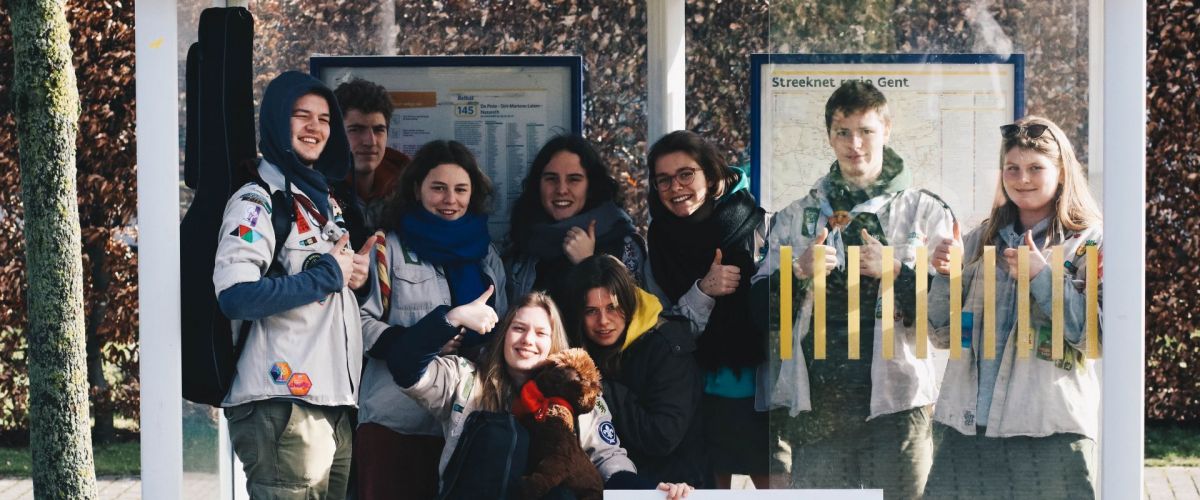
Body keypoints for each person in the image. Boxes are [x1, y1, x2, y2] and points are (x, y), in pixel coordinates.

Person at [752, 80, 954, 497]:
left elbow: (948, 318)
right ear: (829, 135)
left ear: (887, 131)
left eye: (866, 131)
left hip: (898, 401)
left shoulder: (925, 211)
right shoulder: (798, 216)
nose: (854, 144)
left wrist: (899, 271)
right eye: (843, 132)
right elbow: (758, 314)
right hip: (821, 402)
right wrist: (797, 271)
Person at [923, 116, 1103, 499]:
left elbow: (1095, 338)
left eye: (1036, 168)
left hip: (1048, 434)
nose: (1022, 178)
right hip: (966, 432)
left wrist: (1041, 277)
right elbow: (941, 334)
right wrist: (944, 275)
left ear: (1062, 172)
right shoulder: (979, 238)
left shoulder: (1090, 242)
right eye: (1013, 168)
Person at [213, 71, 371, 499]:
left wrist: (356, 278)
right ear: (277, 122)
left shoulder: (324, 202)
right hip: (282, 406)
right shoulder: (257, 200)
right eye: (301, 116)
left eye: (323, 119)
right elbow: (236, 295)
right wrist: (327, 276)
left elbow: (324, 289)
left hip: (331, 405)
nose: (314, 128)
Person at [385, 291, 695, 499]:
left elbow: (609, 460)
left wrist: (654, 491)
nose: (527, 340)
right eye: (519, 328)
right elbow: (403, 366)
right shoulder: (465, 378)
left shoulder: (575, 392)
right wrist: (452, 318)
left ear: (553, 342)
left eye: (540, 333)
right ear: (505, 333)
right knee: (500, 434)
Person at [356, 139, 507, 500]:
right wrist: (420, 340)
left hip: (464, 425)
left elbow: (502, 332)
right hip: (395, 422)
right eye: (438, 188)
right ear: (416, 189)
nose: (449, 199)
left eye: (460, 189)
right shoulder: (387, 246)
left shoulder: (486, 254)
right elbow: (358, 324)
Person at [642, 130, 771, 488]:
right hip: (697, 391)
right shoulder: (659, 241)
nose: (675, 187)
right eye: (663, 180)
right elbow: (662, 327)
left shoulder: (758, 223)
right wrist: (704, 290)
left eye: (686, 174)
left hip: (763, 389)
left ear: (711, 176)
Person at [557, 255, 707, 487]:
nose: (603, 321)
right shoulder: (578, 346)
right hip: (605, 480)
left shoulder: (666, 347)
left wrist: (602, 389)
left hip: (673, 485)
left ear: (629, 303)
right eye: (591, 311)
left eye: (612, 308)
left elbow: (662, 436)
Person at [333, 78, 410, 233]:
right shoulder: (316, 192)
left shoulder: (409, 189)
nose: (370, 141)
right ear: (334, 134)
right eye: (356, 129)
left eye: (378, 130)